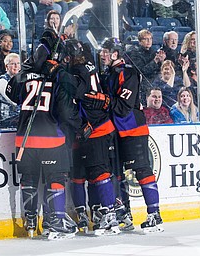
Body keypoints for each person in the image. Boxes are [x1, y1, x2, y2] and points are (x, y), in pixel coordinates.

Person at [5, 27, 90, 240]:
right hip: (51, 138)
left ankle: (31, 220)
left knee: (29, 179)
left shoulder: (25, 73)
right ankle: (56, 221)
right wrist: (81, 126)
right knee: (56, 178)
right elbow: (66, 108)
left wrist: (26, 70)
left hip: (24, 137)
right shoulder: (57, 75)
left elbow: (12, 93)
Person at [86, 37, 164, 233]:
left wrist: (103, 99)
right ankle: (124, 212)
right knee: (117, 174)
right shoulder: (106, 74)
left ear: (115, 54)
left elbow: (122, 107)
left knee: (141, 170)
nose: (102, 54)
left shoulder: (128, 73)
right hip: (115, 132)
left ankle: (155, 215)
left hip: (133, 130)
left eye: (106, 51)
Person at [65, 39, 123, 235]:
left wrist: (60, 75)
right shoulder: (89, 62)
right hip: (103, 125)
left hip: (96, 128)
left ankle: (109, 215)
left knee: (99, 173)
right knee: (99, 173)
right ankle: (106, 212)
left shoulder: (77, 69)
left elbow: (78, 92)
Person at [126, 29, 166, 105]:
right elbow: (141, 71)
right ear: (140, 41)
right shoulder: (134, 53)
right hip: (143, 84)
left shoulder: (154, 52)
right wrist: (155, 61)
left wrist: (162, 61)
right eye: (146, 39)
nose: (149, 41)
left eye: (150, 39)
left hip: (155, 82)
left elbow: (159, 71)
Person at [0, 52, 20, 127]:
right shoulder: (3, 80)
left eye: (18, 63)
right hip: (8, 118)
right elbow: (13, 101)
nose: (16, 66)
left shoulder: (20, 79)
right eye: (13, 64)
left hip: (19, 115)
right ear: (7, 66)